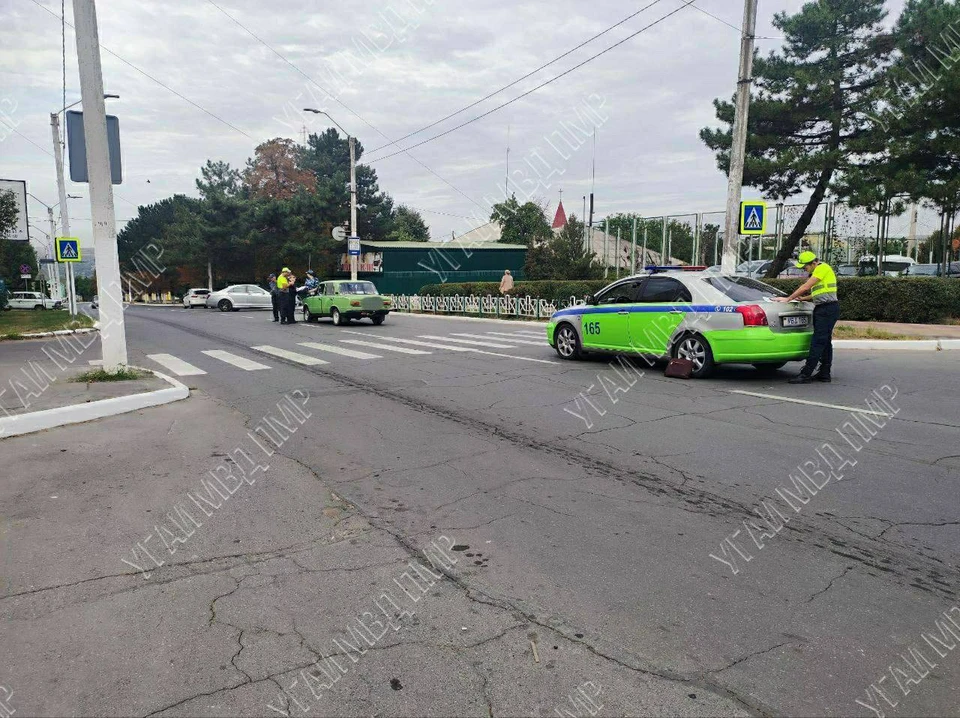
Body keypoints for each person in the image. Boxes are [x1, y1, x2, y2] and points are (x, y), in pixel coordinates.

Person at [773, 251, 839, 384]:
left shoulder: (822, 268)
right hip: (824, 308)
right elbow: (820, 293)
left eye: (806, 267)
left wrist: (788, 299)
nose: (805, 269)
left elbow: (806, 286)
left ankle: (806, 373)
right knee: (825, 342)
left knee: (817, 342)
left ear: (814, 262)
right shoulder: (819, 270)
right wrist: (803, 299)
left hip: (827, 309)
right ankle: (824, 374)